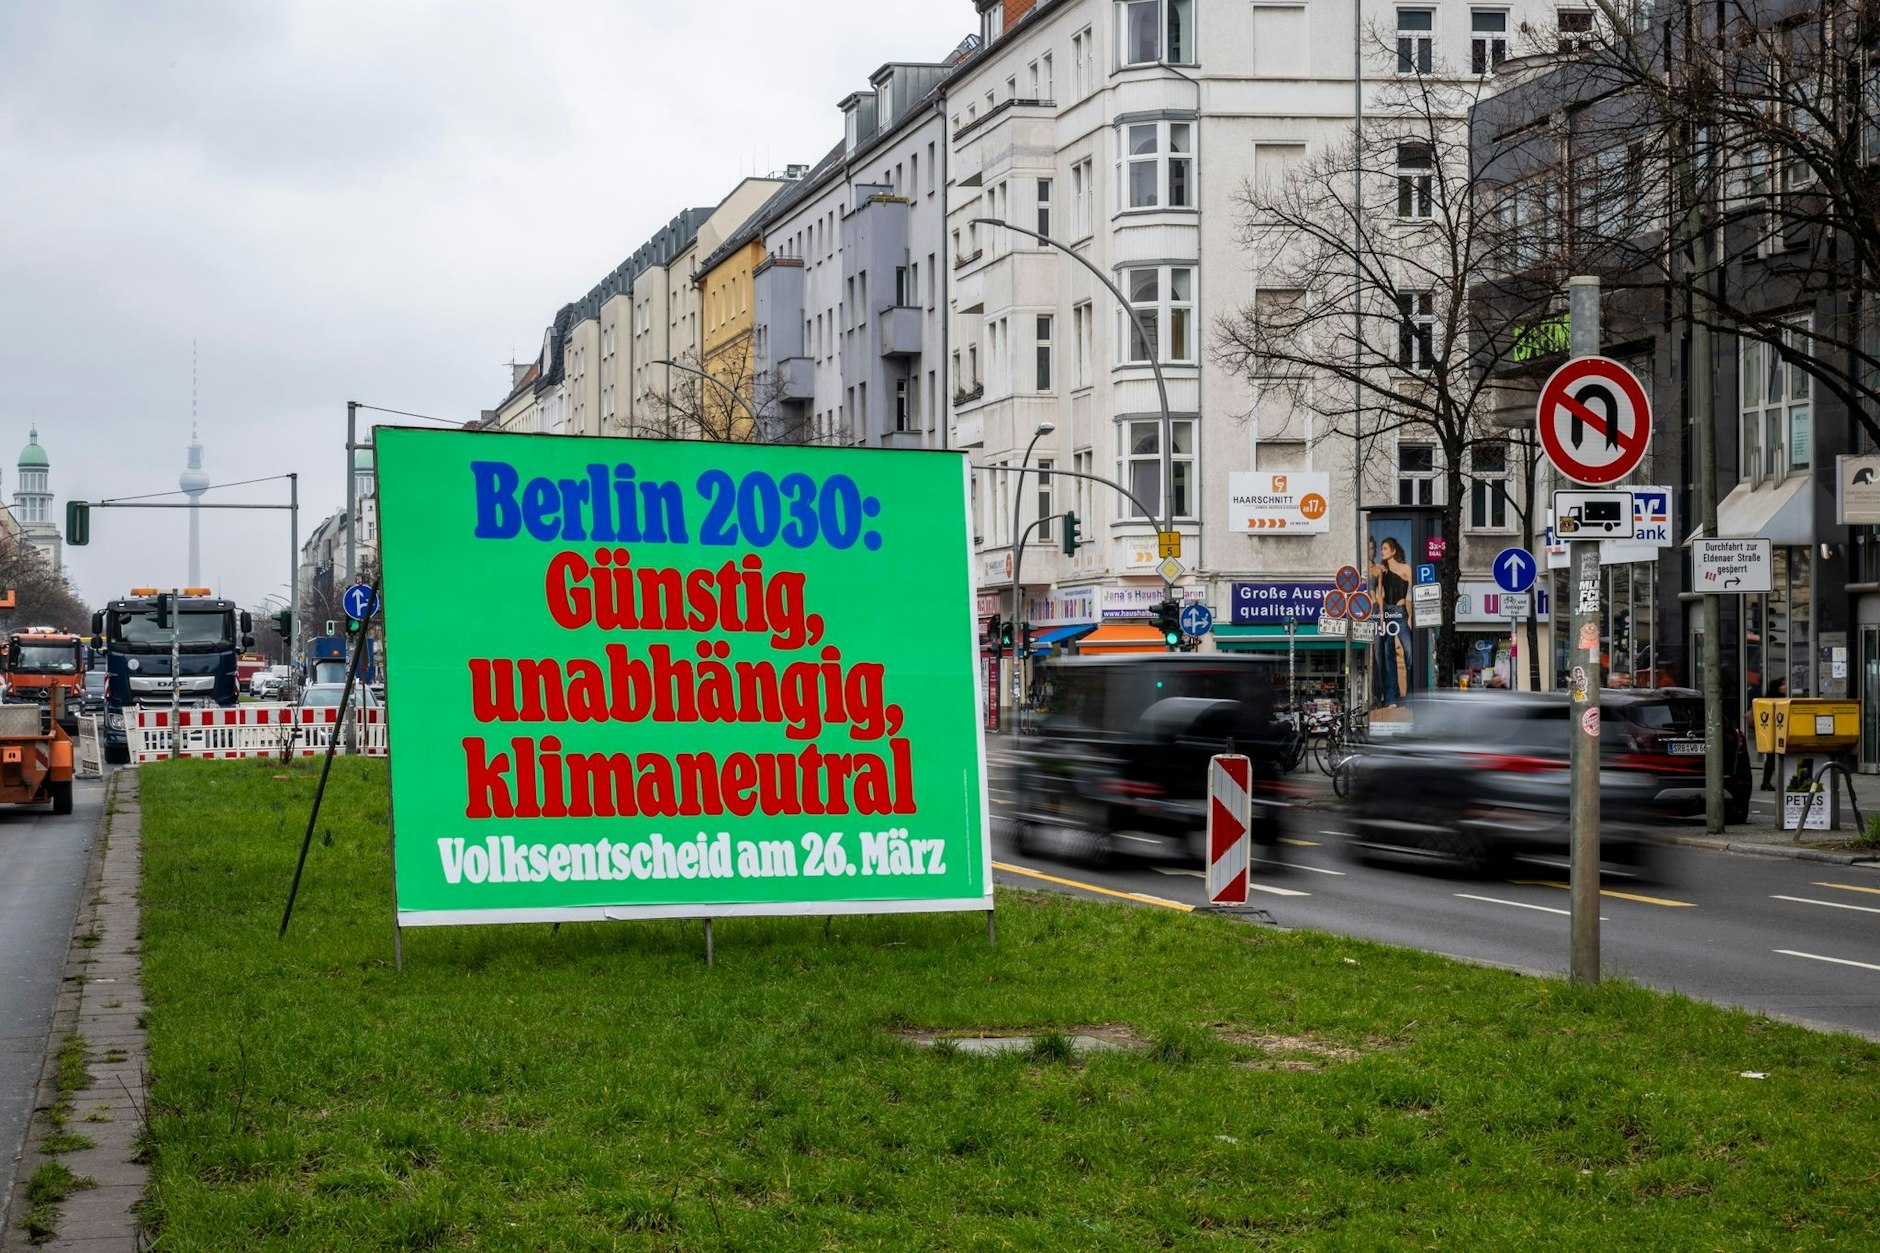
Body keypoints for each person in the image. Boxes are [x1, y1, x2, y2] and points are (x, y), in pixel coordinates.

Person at [1760, 677, 1788, 790]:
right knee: (1771, 759)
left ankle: (1769, 781)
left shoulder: (1781, 699)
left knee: (1774, 759)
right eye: (1782, 685)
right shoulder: (1772, 701)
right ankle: (1766, 782)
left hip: (1778, 734)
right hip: (1772, 734)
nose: (1785, 687)